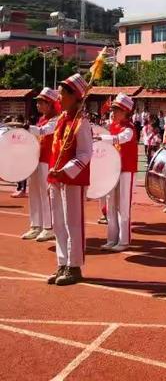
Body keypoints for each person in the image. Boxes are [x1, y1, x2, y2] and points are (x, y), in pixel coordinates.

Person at [47, 74, 93, 286]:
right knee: (58, 223)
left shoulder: (81, 123)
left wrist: (65, 171)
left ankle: (74, 266)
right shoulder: (61, 121)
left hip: (72, 180)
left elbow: (85, 154)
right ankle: (62, 262)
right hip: (55, 179)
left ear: (75, 97)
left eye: (63, 93)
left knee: (73, 223)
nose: (59, 96)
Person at [96, 93, 138, 252]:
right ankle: (111, 239)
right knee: (111, 203)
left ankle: (124, 240)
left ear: (126, 112)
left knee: (123, 205)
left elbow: (121, 138)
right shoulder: (112, 127)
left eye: (117, 110)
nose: (112, 113)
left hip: (126, 170)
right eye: (112, 110)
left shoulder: (129, 128)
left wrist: (102, 138)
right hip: (113, 170)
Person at [21, 88, 59, 241]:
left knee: (45, 194)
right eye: (38, 102)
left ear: (50, 104)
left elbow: (44, 131)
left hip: (47, 161)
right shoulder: (42, 119)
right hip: (36, 160)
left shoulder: (56, 119)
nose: (38, 105)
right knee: (34, 193)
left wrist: (28, 128)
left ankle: (48, 227)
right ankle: (35, 225)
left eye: (41, 102)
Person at [10, 115, 28, 198]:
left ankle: (22, 190)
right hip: (16, 155)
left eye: (17, 121)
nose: (15, 122)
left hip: (23, 155)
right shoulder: (15, 131)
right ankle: (18, 188)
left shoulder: (25, 131)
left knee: (22, 173)